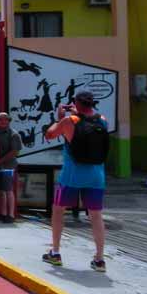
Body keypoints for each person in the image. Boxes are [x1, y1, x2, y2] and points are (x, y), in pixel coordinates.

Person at [42, 91, 111, 272]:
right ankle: (99, 259)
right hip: (96, 175)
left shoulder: (69, 121)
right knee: (96, 215)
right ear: (92, 104)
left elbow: (49, 135)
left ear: (76, 103)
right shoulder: (103, 120)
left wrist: (60, 118)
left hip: (72, 175)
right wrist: (78, 112)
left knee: (58, 211)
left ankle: (55, 253)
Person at [0, 112, 22, 223]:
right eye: (0, 119)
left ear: (9, 121)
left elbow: (15, 151)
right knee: (0, 190)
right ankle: (3, 213)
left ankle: (10, 215)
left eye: (5, 119)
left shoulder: (13, 134)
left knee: (8, 190)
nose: (3, 121)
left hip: (8, 166)